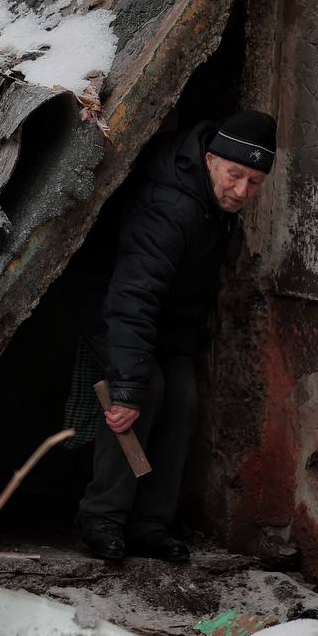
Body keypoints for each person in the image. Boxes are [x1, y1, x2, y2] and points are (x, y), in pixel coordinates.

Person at [72, 110, 277, 562]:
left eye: (255, 182)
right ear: (210, 161)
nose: (242, 191)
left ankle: (151, 525)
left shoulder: (214, 204)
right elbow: (133, 296)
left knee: (182, 397)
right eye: (234, 175)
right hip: (113, 305)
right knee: (143, 391)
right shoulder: (171, 207)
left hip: (161, 318)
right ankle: (102, 518)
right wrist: (126, 388)